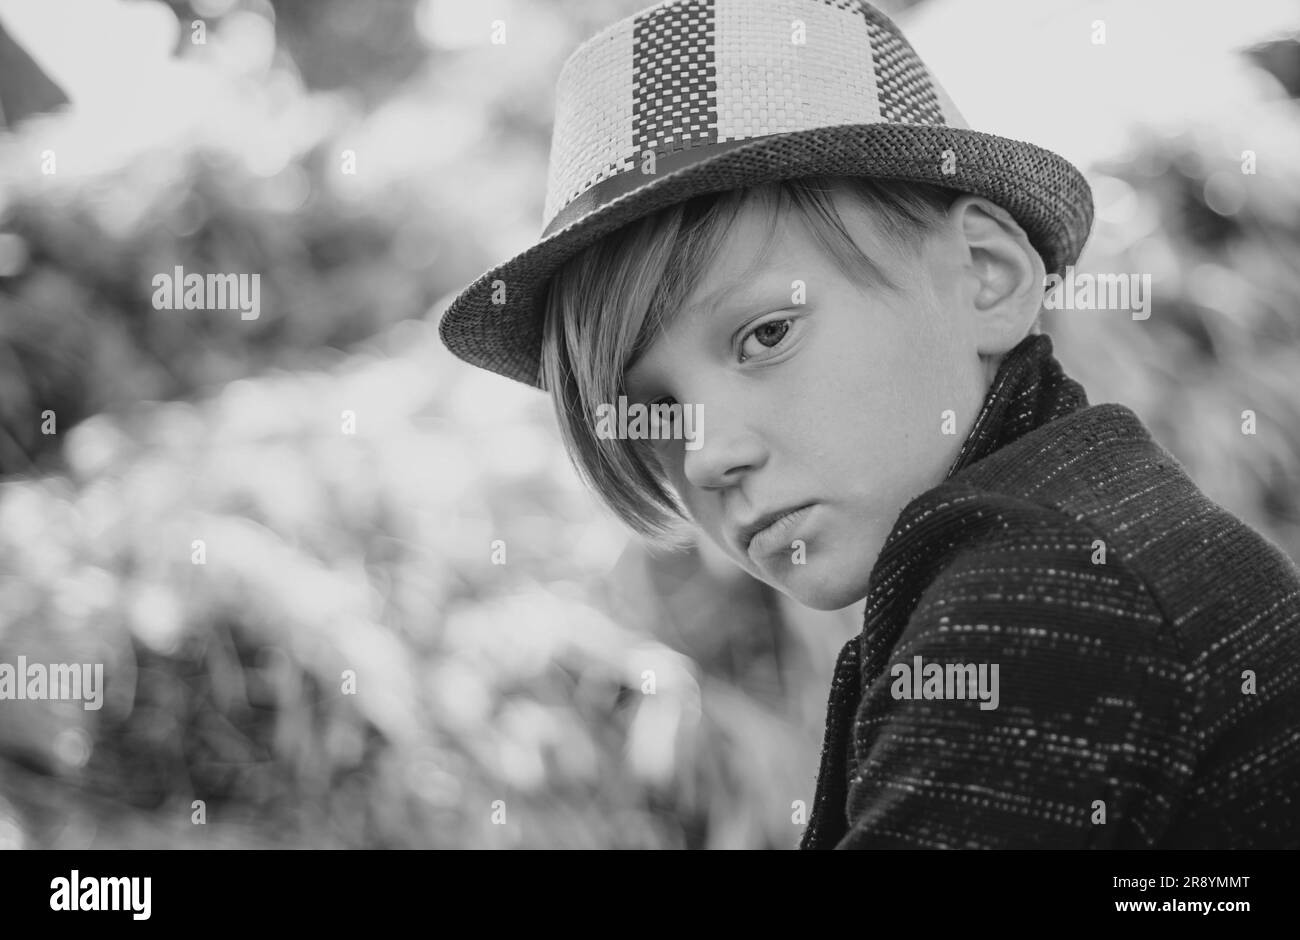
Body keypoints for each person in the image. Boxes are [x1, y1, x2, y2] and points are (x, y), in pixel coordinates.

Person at [439, 0, 1300, 848]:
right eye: (655, 410)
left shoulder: (1044, 599)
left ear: (985, 274)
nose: (706, 457)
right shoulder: (1070, 532)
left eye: (766, 335)